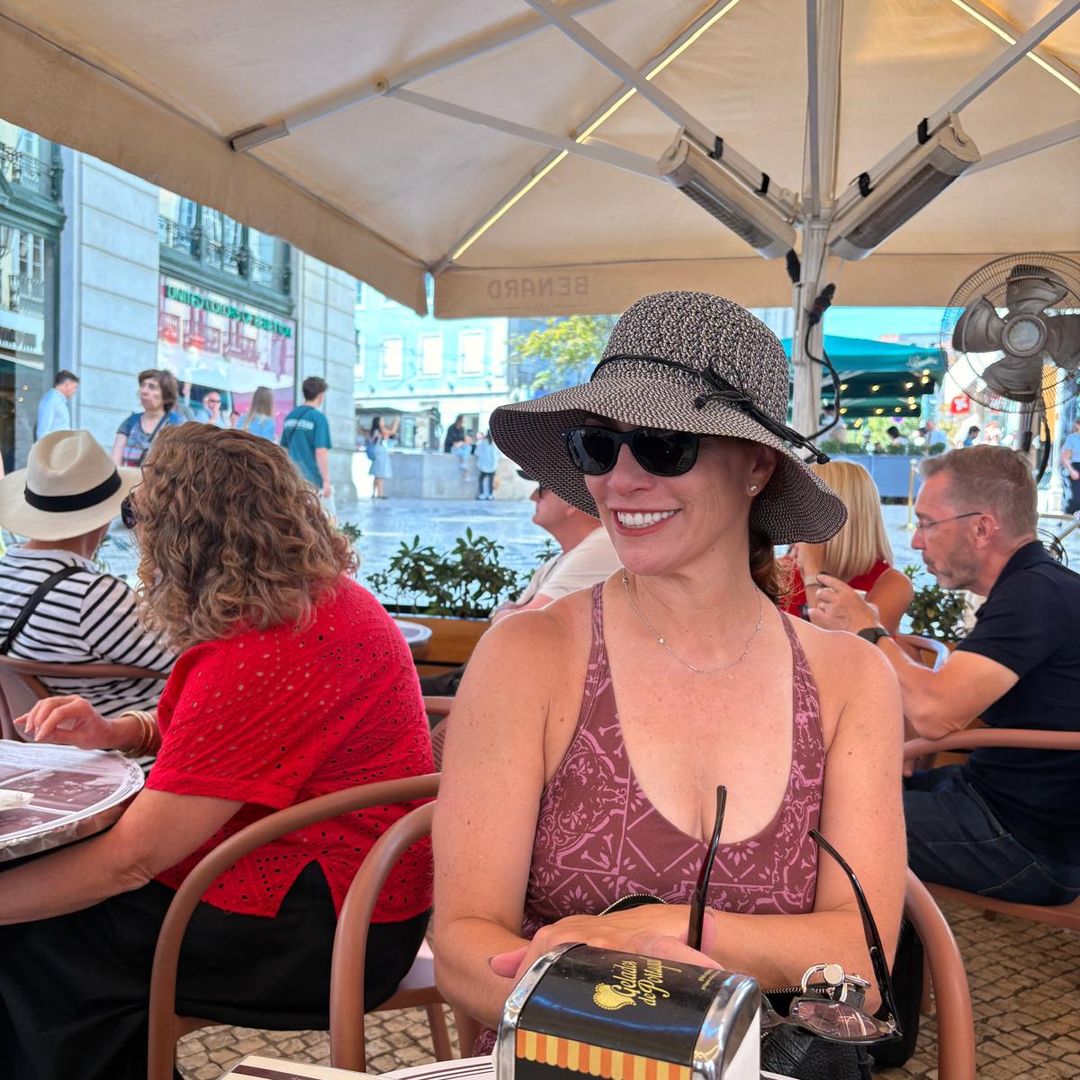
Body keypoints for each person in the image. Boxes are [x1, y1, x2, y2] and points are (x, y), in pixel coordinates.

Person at [433, 293, 904, 1067]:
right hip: (559, 1061)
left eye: (661, 444)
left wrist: (678, 931)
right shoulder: (531, 656)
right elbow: (461, 948)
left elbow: (865, 955)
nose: (620, 481)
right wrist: (645, 1009)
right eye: (597, 445)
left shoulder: (850, 679)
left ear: (757, 464)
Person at [0, 424, 435, 1080]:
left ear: (176, 534)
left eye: (139, 516)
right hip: (360, 893)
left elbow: (130, 862)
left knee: (38, 938)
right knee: (49, 915)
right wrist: (122, 732)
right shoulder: (316, 602)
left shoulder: (262, 646)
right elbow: (229, 743)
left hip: (332, 928)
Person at [808, 445, 1080, 905]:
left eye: (927, 523)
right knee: (824, 789)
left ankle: (826, 963)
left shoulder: (1035, 595)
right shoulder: (1035, 586)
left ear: (982, 527)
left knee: (806, 825)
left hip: (1024, 844)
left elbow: (936, 714)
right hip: (989, 798)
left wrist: (868, 630)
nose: (915, 541)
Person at [0, 430, 173, 714]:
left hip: (42, 746)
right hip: (125, 746)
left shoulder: (7, 573)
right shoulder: (91, 597)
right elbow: (191, 661)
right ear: (104, 517)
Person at [418, 472, 620, 697]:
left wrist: (510, 612)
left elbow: (515, 623)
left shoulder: (600, 544)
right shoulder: (561, 559)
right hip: (489, 683)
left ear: (569, 499)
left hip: (507, 694)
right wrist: (509, 614)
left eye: (542, 488)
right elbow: (509, 620)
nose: (533, 497)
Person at [783, 459, 913, 635]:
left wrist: (813, 574)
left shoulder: (892, 585)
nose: (792, 518)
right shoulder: (781, 573)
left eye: (802, 508)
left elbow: (836, 654)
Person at [281, 376, 334, 519]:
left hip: (294, 478)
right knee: (327, 520)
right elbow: (321, 451)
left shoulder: (290, 417)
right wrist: (326, 481)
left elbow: (284, 450)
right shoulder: (318, 418)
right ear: (321, 395)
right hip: (313, 479)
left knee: (299, 518)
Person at [111, 369, 184, 467]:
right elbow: (115, 463)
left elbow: (179, 464)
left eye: (152, 387)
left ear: (166, 396)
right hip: (129, 480)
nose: (144, 391)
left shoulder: (177, 424)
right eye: (142, 385)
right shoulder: (130, 422)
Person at [35, 370, 79, 439]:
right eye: (74, 387)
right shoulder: (51, 400)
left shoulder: (58, 400)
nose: (75, 391)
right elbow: (42, 431)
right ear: (67, 384)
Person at [368, 414, 399, 500]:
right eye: (382, 420)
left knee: (377, 475)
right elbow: (392, 432)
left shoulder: (375, 431)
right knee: (380, 475)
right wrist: (396, 422)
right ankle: (380, 494)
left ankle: (374, 493)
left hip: (376, 453)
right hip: (380, 454)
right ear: (378, 422)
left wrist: (393, 422)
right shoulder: (381, 431)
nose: (384, 422)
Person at [1059, 416, 1080, 516]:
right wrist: (1072, 471)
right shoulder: (1072, 438)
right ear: (1077, 425)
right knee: (1074, 500)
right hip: (1075, 468)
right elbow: (1065, 458)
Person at [475, 430, 499, 500]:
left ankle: (481, 494)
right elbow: (498, 455)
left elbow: (477, 452)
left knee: (481, 479)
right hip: (492, 465)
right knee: (490, 481)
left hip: (484, 465)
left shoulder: (482, 442)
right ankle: (490, 495)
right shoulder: (495, 443)